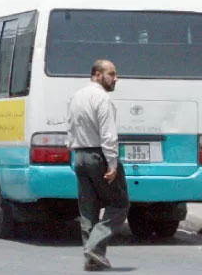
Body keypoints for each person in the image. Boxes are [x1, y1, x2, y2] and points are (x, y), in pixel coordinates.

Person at [66, 59, 130, 271]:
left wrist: (74, 152)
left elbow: (70, 128)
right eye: (111, 74)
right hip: (98, 156)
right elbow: (108, 135)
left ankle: (92, 258)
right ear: (96, 75)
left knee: (88, 209)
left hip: (80, 156)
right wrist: (112, 164)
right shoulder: (101, 99)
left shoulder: (76, 96)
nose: (115, 78)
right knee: (120, 204)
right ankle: (94, 248)